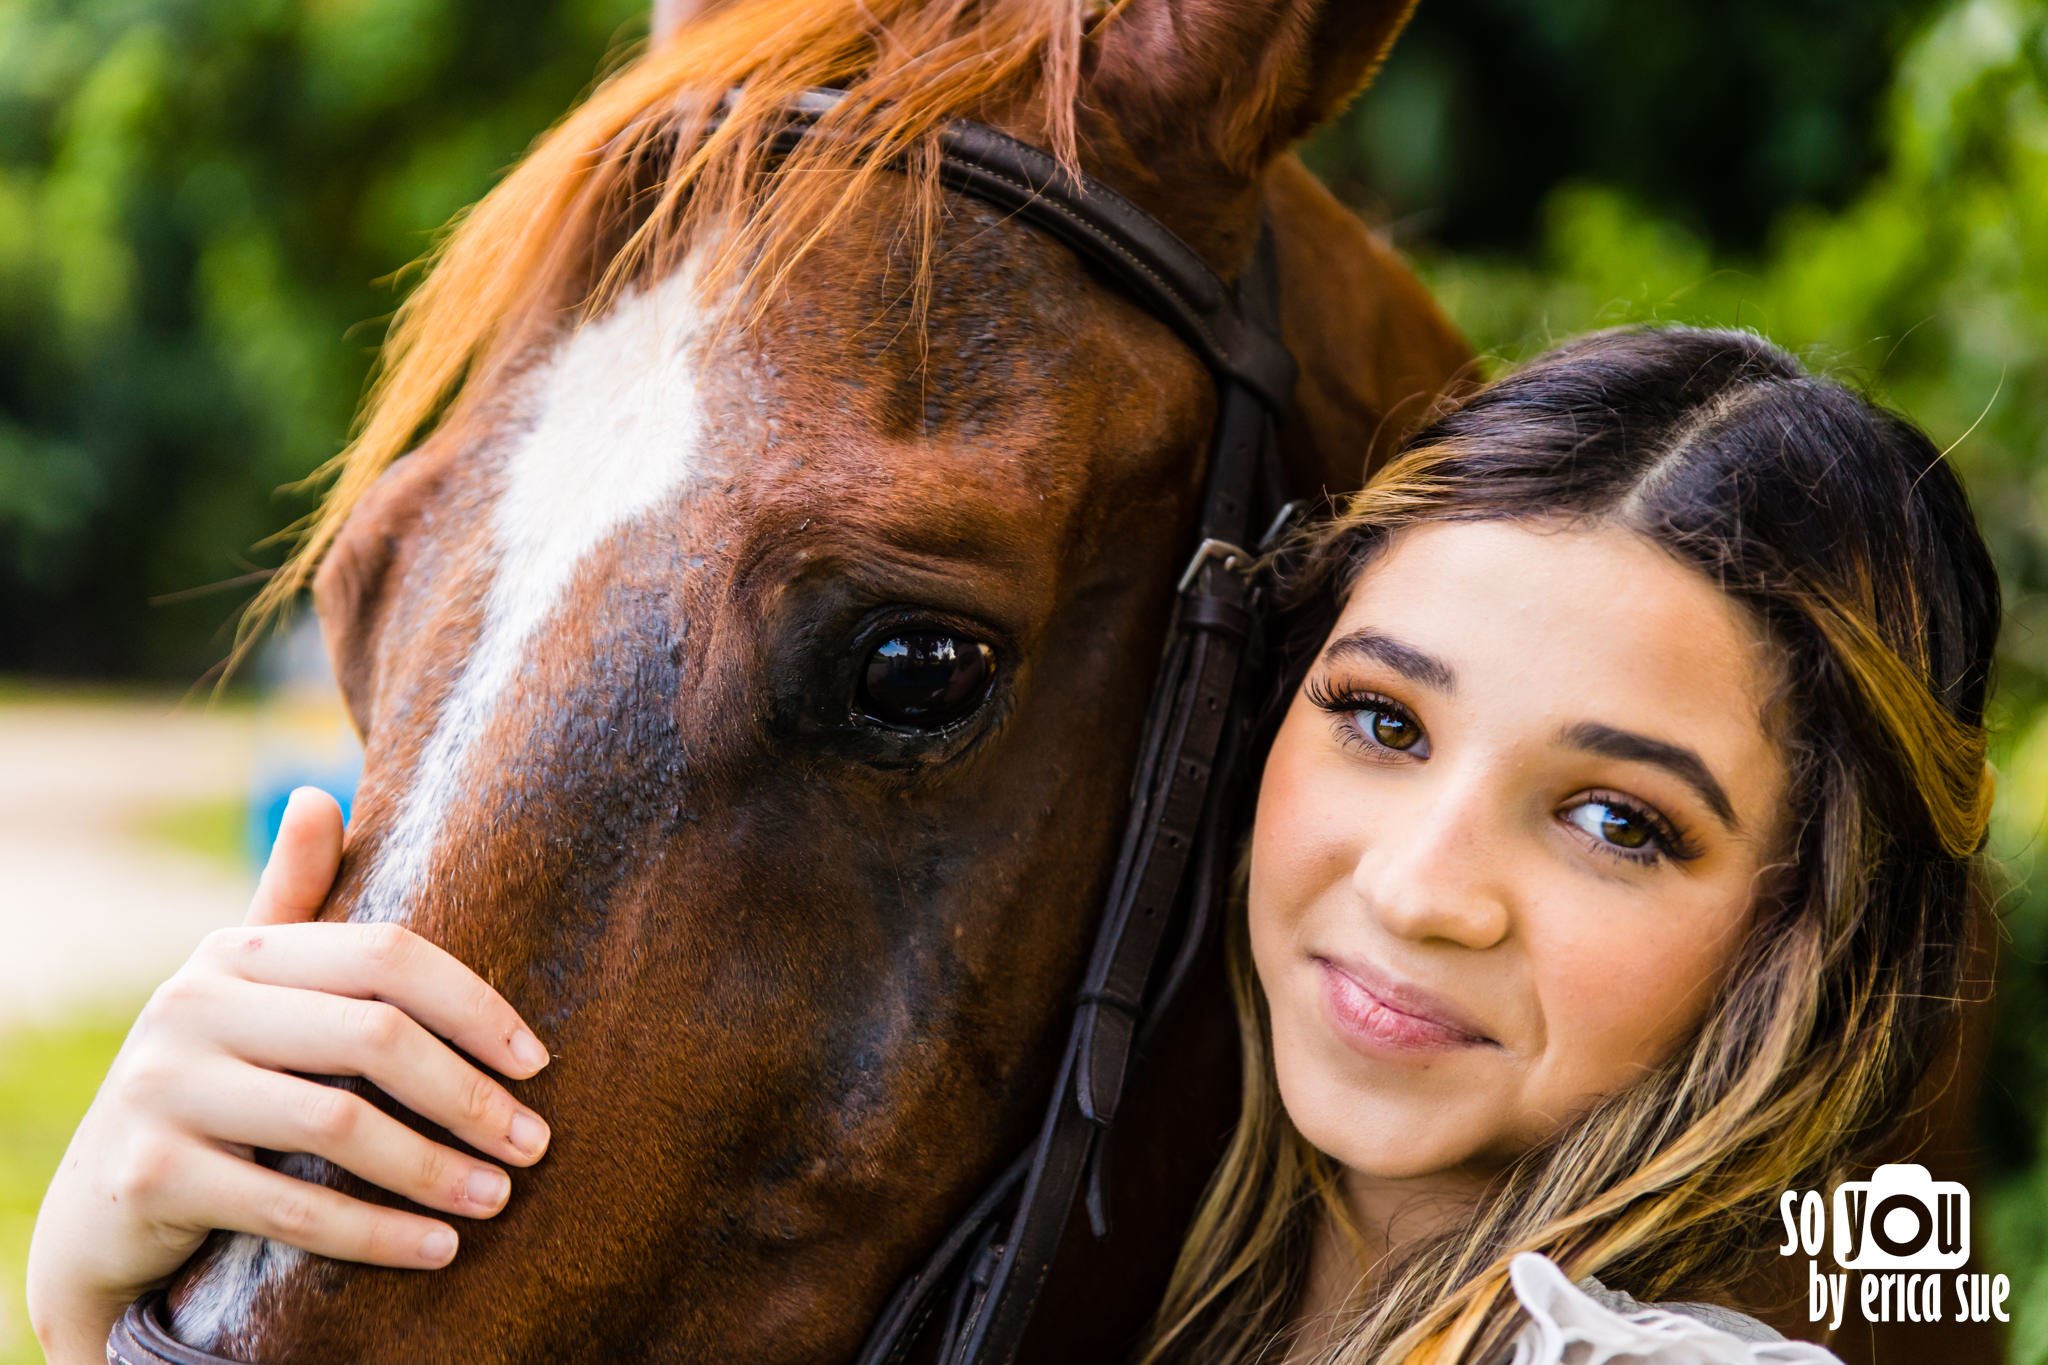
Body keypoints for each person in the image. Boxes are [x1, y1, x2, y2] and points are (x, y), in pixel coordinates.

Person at [26, 326, 2000, 1365]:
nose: (1417, 883)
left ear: (1799, 935)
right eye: (1380, 717)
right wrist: (114, 1301)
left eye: (1615, 819)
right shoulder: (1135, 1286)